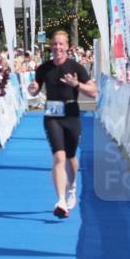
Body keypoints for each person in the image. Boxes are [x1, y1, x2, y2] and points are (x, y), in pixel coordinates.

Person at [27, 30, 97, 218]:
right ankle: (60, 200)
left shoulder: (76, 67)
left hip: (72, 114)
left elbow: (93, 91)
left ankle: (72, 188)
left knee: (71, 158)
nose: (57, 47)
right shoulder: (43, 68)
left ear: (67, 47)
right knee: (59, 157)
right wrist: (32, 88)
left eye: (61, 44)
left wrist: (76, 85)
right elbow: (34, 89)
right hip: (52, 115)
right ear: (51, 46)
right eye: (55, 44)